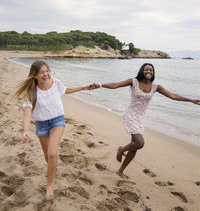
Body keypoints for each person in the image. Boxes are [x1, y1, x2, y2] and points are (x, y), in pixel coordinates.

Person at [94, 63, 200, 180]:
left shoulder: (155, 87)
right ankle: (121, 149)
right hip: (130, 114)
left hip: (140, 118)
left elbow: (172, 96)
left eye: (151, 70)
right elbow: (115, 85)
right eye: (146, 70)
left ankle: (120, 171)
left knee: (135, 147)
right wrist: (100, 84)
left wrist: (191, 100)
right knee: (140, 143)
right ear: (142, 71)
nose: (149, 71)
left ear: (153, 73)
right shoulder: (133, 81)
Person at [13, 60, 95, 200]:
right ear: (35, 75)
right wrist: (25, 130)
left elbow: (66, 90)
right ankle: (53, 168)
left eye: (47, 70)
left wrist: (83, 87)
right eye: (42, 72)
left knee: (52, 153)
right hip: (41, 125)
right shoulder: (32, 92)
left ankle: (49, 186)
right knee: (48, 157)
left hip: (57, 120)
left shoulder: (55, 83)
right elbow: (27, 112)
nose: (46, 74)